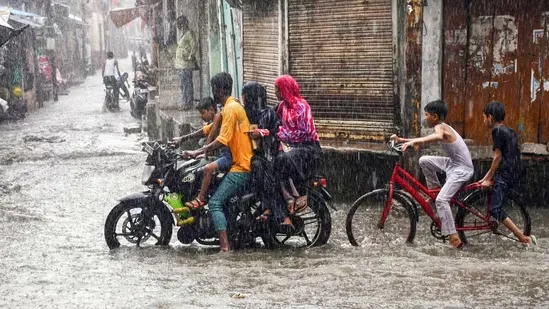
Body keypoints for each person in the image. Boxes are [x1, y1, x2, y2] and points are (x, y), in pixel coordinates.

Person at [182, 73, 253, 252]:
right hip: (235, 160)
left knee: (214, 203)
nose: (213, 92)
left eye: (214, 88)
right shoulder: (229, 107)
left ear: (219, 89)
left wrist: (199, 151)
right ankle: (201, 199)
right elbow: (210, 130)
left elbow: (223, 139)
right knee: (207, 169)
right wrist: (187, 142)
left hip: (240, 166)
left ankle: (224, 248)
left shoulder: (230, 109)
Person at [391, 100, 473, 249]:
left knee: (443, 200)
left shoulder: (441, 128)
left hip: (462, 168)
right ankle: (434, 191)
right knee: (424, 160)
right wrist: (402, 140)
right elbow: (428, 138)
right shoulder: (440, 126)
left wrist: (415, 142)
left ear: (435, 116)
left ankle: (454, 238)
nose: (425, 118)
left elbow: (436, 137)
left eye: (427, 114)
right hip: (453, 163)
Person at [476, 102, 537, 246]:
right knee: (497, 205)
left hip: (505, 173)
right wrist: (485, 178)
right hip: (514, 172)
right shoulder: (509, 130)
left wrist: (489, 178)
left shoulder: (496, 131)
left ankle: (523, 238)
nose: (484, 121)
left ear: (489, 117)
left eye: (484, 117)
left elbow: (498, 157)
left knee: (495, 210)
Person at [274, 75, 322, 232]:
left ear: (285, 89)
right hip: (292, 147)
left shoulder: (302, 105)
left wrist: (280, 133)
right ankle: (287, 198)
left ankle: (299, 194)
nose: (275, 92)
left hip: (308, 147)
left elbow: (304, 132)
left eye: (277, 89)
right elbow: (273, 119)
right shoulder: (283, 106)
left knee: (283, 159)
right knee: (274, 163)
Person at [175, 97, 232, 209]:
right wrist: (182, 139)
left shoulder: (218, 116)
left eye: (203, 113)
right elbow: (205, 131)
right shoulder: (218, 118)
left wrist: (198, 152)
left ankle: (201, 197)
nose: (201, 116)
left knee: (203, 169)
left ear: (211, 109)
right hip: (220, 154)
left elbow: (210, 138)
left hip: (226, 155)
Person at [241, 82, 282, 223]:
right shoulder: (245, 112)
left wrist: (260, 135)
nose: (243, 99)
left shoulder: (266, 114)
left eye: (244, 95)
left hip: (265, 157)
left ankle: (267, 206)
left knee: (257, 167)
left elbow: (275, 135)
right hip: (254, 155)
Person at [174, 15, 198, 111]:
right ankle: (185, 102)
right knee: (184, 85)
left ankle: (188, 103)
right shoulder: (184, 34)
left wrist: (189, 57)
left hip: (186, 65)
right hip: (181, 65)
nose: (181, 27)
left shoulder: (189, 34)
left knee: (186, 85)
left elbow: (194, 46)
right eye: (180, 26)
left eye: (181, 25)